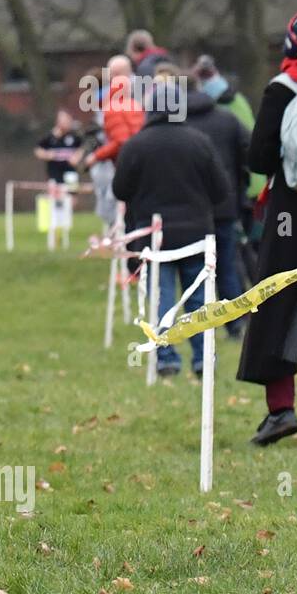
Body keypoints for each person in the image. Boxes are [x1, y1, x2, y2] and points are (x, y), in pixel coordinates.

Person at [237, 10, 297, 447]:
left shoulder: (281, 89)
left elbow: (258, 159)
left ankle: (281, 411)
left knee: (277, 306)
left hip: (289, 216)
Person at [113, 70, 228, 379]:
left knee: (162, 297)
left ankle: (166, 358)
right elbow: (221, 191)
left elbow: (120, 190)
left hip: (155, 235)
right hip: (196, 233)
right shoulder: (200, 142)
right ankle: (203, 358)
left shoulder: (135, 146)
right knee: (198, 300)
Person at [182, 66, 251, 336]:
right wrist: (240, 182)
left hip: (191, 208)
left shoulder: (180, 125)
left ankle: (199, 324)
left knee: (193, 268)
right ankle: (235, 324)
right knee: (227, 265)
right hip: (226, 203)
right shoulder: (228, 119)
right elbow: (250, 150)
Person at [35, 108, 82, 183]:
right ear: (57, 121)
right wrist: (47, 155)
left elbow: (81, 148)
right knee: (55, 192)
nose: (66, 122)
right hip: (54, 173)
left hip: (70, 173)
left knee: (71, 191)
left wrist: (77, 157)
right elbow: (38, 150)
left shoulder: (74, 136)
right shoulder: (49, 137)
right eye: (63, 120)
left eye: (68, 120)